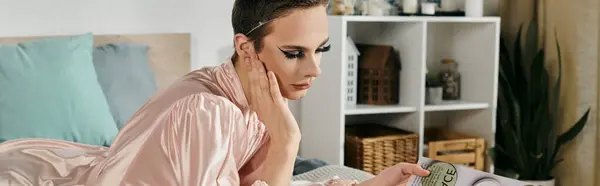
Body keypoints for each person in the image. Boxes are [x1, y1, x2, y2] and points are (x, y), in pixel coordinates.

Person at [0, 0, 429, 185]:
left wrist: (371, 185)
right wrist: (287, 143)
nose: (314, 69)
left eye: (321, 50)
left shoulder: (253, 96)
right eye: (295, 53)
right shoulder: (206, 113)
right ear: (246, 47)